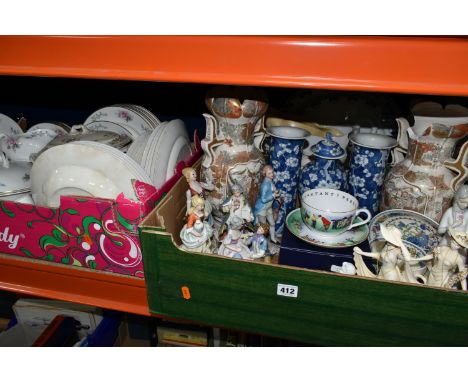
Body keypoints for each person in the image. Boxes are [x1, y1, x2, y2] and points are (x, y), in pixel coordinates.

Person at [353, 225, 431, 284]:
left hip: (391, 275)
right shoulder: (386, 246)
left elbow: (407, 259)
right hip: (382, 272)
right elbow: (378, 255)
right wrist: (362, 253)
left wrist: (400, 242)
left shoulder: (397, 251)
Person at [253, 165, 279, 243]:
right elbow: (263, 199)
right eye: (269, 173)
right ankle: (261, 242)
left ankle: (273, 238)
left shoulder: (270, 181)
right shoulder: (264, 185)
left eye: (272, 172)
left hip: (268, 207)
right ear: (265, 174)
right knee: (263, 227)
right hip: (262, 208)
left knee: (272, 223)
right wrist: (273, 195)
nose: (272, 174)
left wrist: (275, 194)